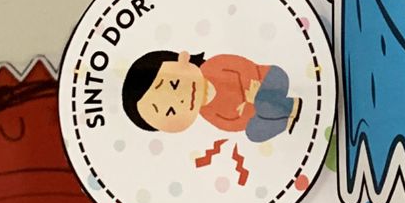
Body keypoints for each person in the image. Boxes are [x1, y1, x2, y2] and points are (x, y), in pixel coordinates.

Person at [120, 48, 300, 143]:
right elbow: (233, 123)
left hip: (269, 80)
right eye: (171, 111)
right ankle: (284, 118)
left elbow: (243, 67)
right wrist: (247, 108)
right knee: (253, 133)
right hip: (258, 110)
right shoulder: (207, 113)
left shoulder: (213, 66)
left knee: (262, 100)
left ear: (183, 59)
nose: (181, 99)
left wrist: (253, 96)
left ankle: (290, 106)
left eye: (174, 84)